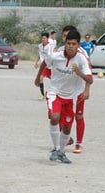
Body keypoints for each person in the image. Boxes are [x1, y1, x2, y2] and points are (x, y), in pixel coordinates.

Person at [34, 30, 93, 163]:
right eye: (68, 43)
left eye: (74, 44)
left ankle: (61, 152)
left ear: (78, 45)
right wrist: (38, 77)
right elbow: (45, 63)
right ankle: (56, 148)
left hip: (72, 97)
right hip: (55, 92)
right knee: (55, 117)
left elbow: (90, 79)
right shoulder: (56, 55)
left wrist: (79, 73)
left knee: (67, 127)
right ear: (65, 43)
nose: (70, 46)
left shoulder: (82, 58)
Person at [57, 25, 92, 154]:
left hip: (78, 91)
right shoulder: (60, 51)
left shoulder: (82, 54)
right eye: (65, 36)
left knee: (78, 116)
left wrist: (87, 90)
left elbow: (88, 74)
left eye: (70, 37)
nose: (68, 40)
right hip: (63, 91)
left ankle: (79, 143)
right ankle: (65, 139)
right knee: (59, 115)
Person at [35, 32, 53, 100]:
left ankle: (49, 93)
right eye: (42, 38)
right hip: (43, 67)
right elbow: (39, 54)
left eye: (44, 38)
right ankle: (42, 95)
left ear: (47, 39)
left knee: (54, 81)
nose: (43, 39)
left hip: (50, 66)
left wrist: (44, 63)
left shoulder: (49, 47)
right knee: (41, 78)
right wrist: (37, 62)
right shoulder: (40, 46)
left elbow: (50, 56)